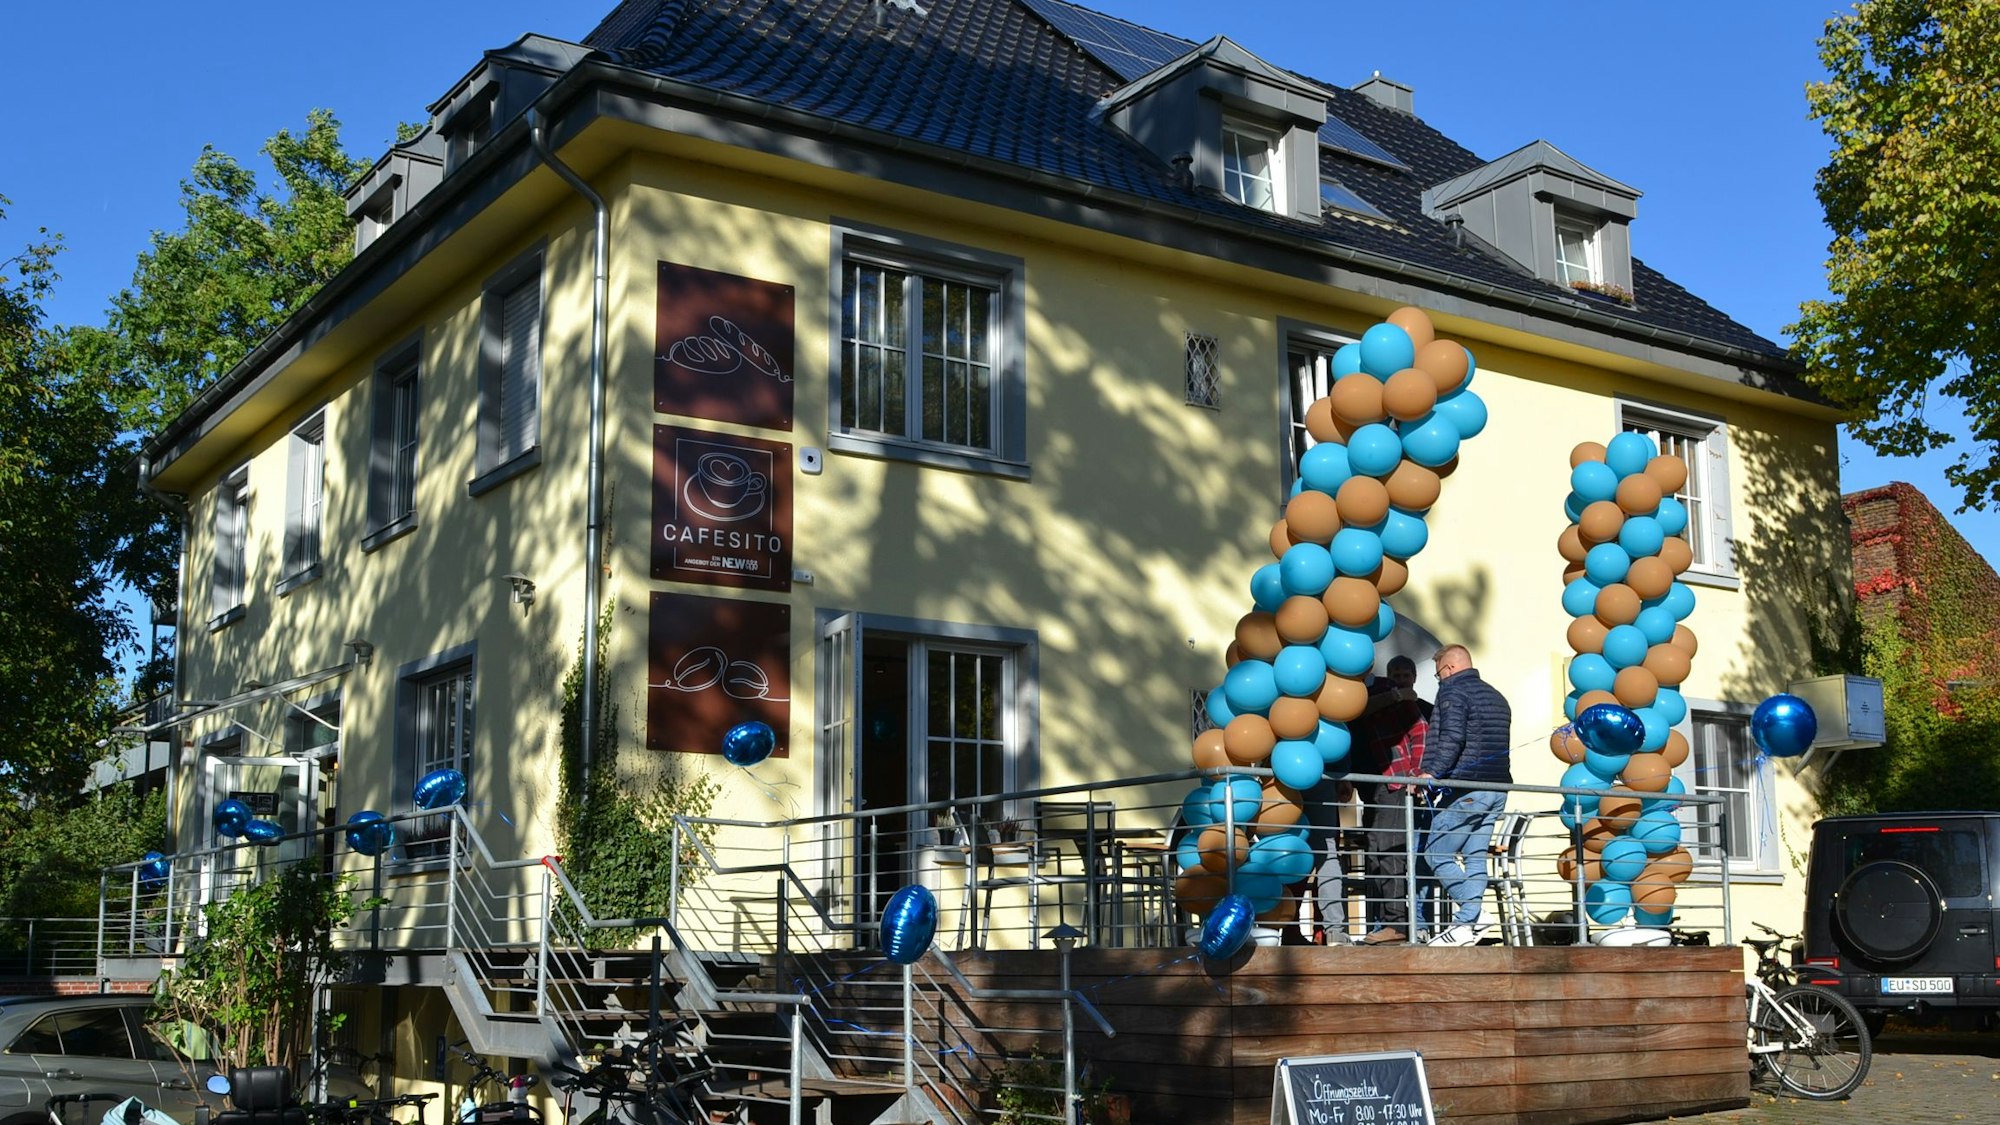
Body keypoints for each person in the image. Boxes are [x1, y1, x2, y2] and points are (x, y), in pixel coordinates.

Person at [1416, 644, 1513, 947]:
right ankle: (1464, 926)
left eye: (1438, 675)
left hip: (1467, 789)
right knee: (1474, 858)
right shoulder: (1497, 696)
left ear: (1450, 668)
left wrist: (1431, 772)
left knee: (1436, 852)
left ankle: (1473, 915)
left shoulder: (1453, 692)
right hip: (1498, 790)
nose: (1438, 681)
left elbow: (1453, 737)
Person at [1354, 673, 1429, 945]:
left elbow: (1420, 729)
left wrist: (1415, 773)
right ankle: (1384, 923)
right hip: (1368, 787)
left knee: (1389, 850)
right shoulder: (1339, 694)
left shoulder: (1386, 689)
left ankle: (1397, 924)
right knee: (1374, 852)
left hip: (1394, 783)